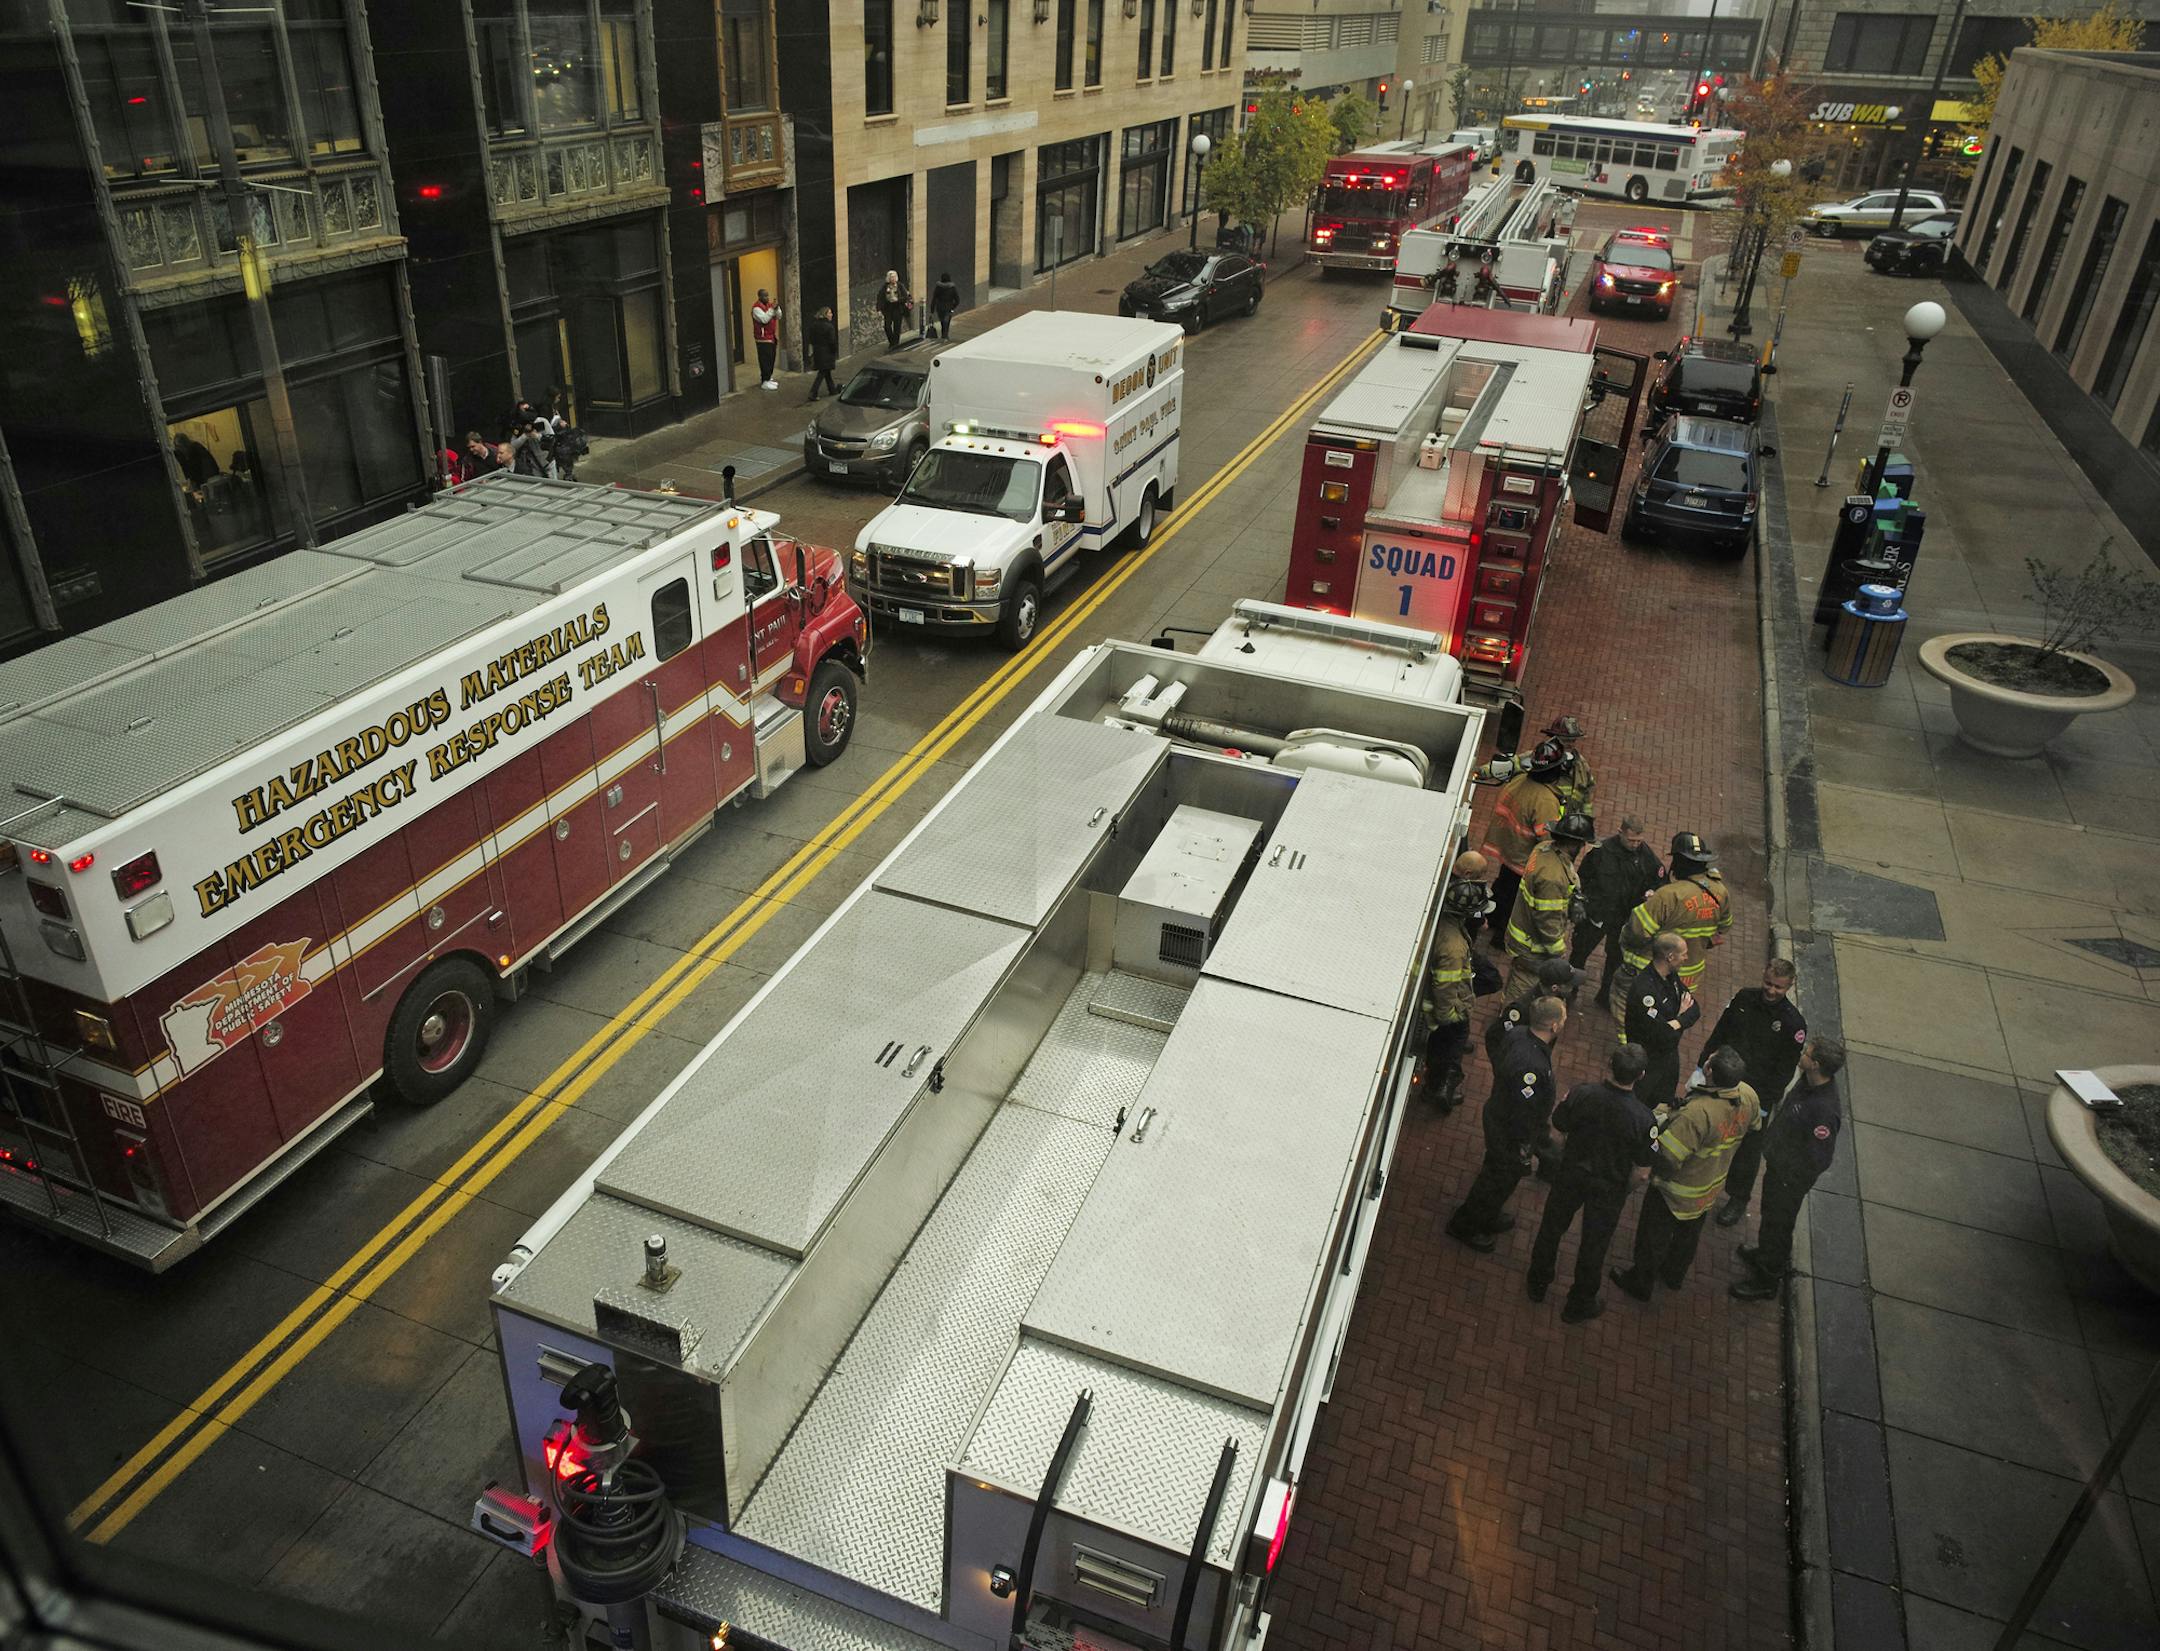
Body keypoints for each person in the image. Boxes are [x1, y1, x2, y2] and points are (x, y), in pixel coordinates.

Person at [1610, 1047, 1760, 1301]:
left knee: (1652, 1238)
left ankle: (1640, 1282)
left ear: (1710, 1072)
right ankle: (1674, 1275)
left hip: (1676, 1191)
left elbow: (1667, 1156)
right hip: (1709, 1186)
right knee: (1688, 1235)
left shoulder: (1698, 1113)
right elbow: (1753, 1128)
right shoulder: (1748, 1095)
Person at [1526, 1043, 1657, 1324]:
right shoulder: (1644, 1119)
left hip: (1572, 1174)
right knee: (1593, 1247)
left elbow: (1558, 1132)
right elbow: (1643, 1172)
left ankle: (1537, 1283)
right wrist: (1623, 1188)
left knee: (1551, 1228)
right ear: (1641, 1075)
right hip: (1608, 1187)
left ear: (1609, 1064)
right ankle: (1580, 1302)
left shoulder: (1582, 1094)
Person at [1446, 997, 1565, 1252]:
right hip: (1510, 1130)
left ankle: (1488, 1215)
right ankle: (1465, 1224)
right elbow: (1523, 1110)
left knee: (1502, 1175)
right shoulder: (1531, 1066)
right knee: (1497, 1178)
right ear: (1554, 1026)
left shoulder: (1520, 1034)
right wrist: (1524, 1143)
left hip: (1501, 1116)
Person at [1731, 1039, 1847, 1299]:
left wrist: (1788, 1176)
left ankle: (1767, 1280)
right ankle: (1764, 1255)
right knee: (1770, 1218)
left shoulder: (1823, 1110)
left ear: (1816, 1064)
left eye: (1807, 1053)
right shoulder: (1808, 1082)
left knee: (1778, 1226)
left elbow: (1819, 1158)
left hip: (1788, 1180)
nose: (1802, 1053)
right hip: (1779, 1167)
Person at [1711, 959, 1810, 1227]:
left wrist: (1765, 1103)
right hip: (1723, 1080)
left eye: (1778, 987)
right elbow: (1721, 1031)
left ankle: (1738, 1198)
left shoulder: (1792, 1025)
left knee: (1747, 1151)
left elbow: (1784, 1071)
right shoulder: (1745, 998)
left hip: (1756, 1096)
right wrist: (1703, 1065)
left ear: (1789, 987)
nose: (1771, 990)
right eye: (1768, 983)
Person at [1608, 831, 1731, 1010]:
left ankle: (1629, 1039)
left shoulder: (1667, 895)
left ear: (1678, 861)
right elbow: (1724, 927)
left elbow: (1636, 932)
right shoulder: (1720, 891)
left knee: (1624, 1004)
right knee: (1669, 1011)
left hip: (1653, 970)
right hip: (1689, 975)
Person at [1480, 741, 1568, 946]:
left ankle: (1491, 918)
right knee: (1514, 901)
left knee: (1502, 887)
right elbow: (1546, 838)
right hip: (1523, 859)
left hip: (1507, 849)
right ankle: (1500, 938)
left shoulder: (1519, 780)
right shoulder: (1545, 800)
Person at [1572, 816, 1663, 1008]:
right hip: (1597, 914)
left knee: (1616, 959)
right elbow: (1582, 878)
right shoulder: (1601, 852)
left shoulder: (1646, 855)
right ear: (1620, 832)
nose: (1635, 845)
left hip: (1623, 918)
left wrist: (1652, 891)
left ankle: (1605, 996)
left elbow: (1659, 879)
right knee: (1580, 952)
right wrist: (1581, 903)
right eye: (1631, 840)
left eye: (1638, 841)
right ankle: (1570, 991)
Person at [1501, 811, 1592, 1003]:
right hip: (1533, 947)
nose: (1583, 847)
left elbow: (1565, 876)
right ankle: (1510, 1020)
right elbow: (1547, 920)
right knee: (1522, 990)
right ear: (1574, 844)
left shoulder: (1544, 849)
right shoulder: (1552, 878)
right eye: (1582, 843)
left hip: (1522, 935)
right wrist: (1558, 953)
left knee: (1517, 977)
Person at [1423, 878, 1492, 1111]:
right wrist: (1451, 1017)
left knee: (1442, 1048)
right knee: (1447, 1050)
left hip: (1445, 1007)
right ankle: (1440, 1089)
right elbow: (1445, 986)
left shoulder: (1446, 925)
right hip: (1447, 1010)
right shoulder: (1453, 947)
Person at [1622, 932, 1698, 1114]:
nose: (1687, 958)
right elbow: (1664, 1035)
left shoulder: (1671, 979)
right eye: (1683, 954)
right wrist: (1679, 1019)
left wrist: (1676, 1022)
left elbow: (1695, 1010)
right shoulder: (1645, 991)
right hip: (1647, 1064)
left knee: (1663, 1105)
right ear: (1670, 957)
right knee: (1636, 1109)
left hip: (1668, 1061)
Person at [1541, 714, 1595, 818]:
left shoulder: (1582, 765)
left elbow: (1587, 795)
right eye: (1565, 740)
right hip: (1543, 820)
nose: (1570, 744)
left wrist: (1587, 821)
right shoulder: (1540, 759)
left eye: (1573, 740)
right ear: (1553, 738)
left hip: (1566, 824)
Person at [806, 305, 841, 401]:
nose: (832, 315)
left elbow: (811, 338)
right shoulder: (829, 327)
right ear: (825, 314)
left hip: (818, 351)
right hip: (827, 352)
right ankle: (813, 392)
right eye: (830, 313)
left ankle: (832, 390)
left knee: (826, 372)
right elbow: (832, 341)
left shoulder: (814, 325)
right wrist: (834, 351)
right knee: (822, 372)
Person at [751, 289, 782, 390]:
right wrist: (772, 310)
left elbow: (779, 316)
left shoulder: (769, 306)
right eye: (764, 296)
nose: (767, 298)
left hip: (771, 336)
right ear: (759, 296)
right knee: (765, 360)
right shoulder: (756, 308)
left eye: (767, 296)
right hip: (762, 338)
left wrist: (777, 309)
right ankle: (764, 380)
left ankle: (768, 378)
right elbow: (764, 319)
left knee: (771, 358)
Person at [877, 270, 912, 350]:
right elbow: (880, 297)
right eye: (891, 277)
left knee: (897, 327)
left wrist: (898, 300)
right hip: (888, 308)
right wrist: (879, 308)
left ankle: (895, 344)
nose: (892, 279)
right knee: (887, 326)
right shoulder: (885, 287)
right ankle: (892, 342)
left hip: (898, 308)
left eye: (894, 277)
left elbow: (906, 297)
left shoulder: (900, 286)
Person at [930, 271, 961, 340]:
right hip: (948, 308)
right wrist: (953, 307)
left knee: (942, 323)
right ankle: (945, 336)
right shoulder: (952, 288)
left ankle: (944, 336)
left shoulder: (938, 287)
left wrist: (932, 309)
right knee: (947, 323)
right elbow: (957, 300)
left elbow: (934, 298)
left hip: (940, 308)